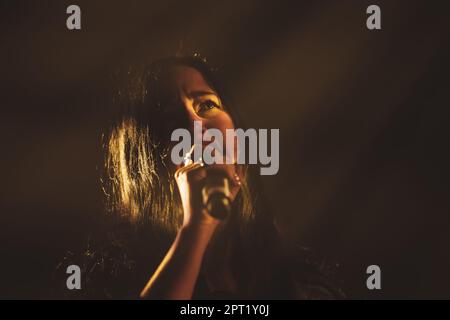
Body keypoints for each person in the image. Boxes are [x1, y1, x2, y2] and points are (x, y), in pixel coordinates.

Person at [56, 55, 343, 299]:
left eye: (206, 105)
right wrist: (195, 229)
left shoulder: (298, 279)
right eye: (170, 118)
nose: (194, 123)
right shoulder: (111, 276)